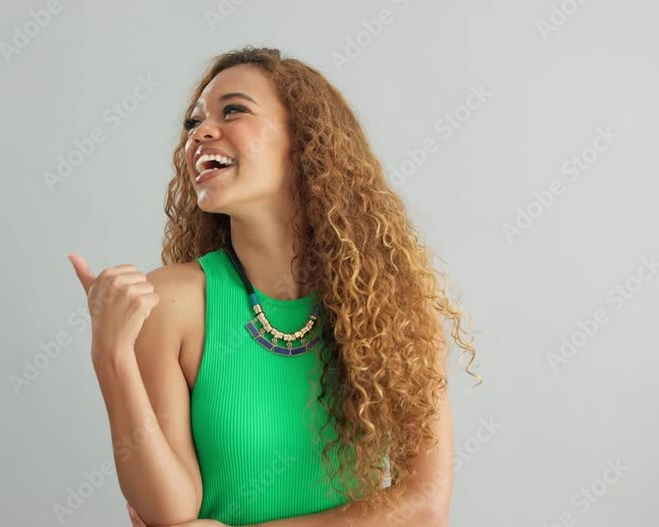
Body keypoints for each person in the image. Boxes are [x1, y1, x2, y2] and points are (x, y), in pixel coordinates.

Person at [68, 46, 480, 527]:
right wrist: (110, 355)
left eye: (234, 110)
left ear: (303, 142)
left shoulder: (392, 303)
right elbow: (169, 511)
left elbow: (424, 507)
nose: (200, 133)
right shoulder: (173, 302)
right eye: (192, 123)